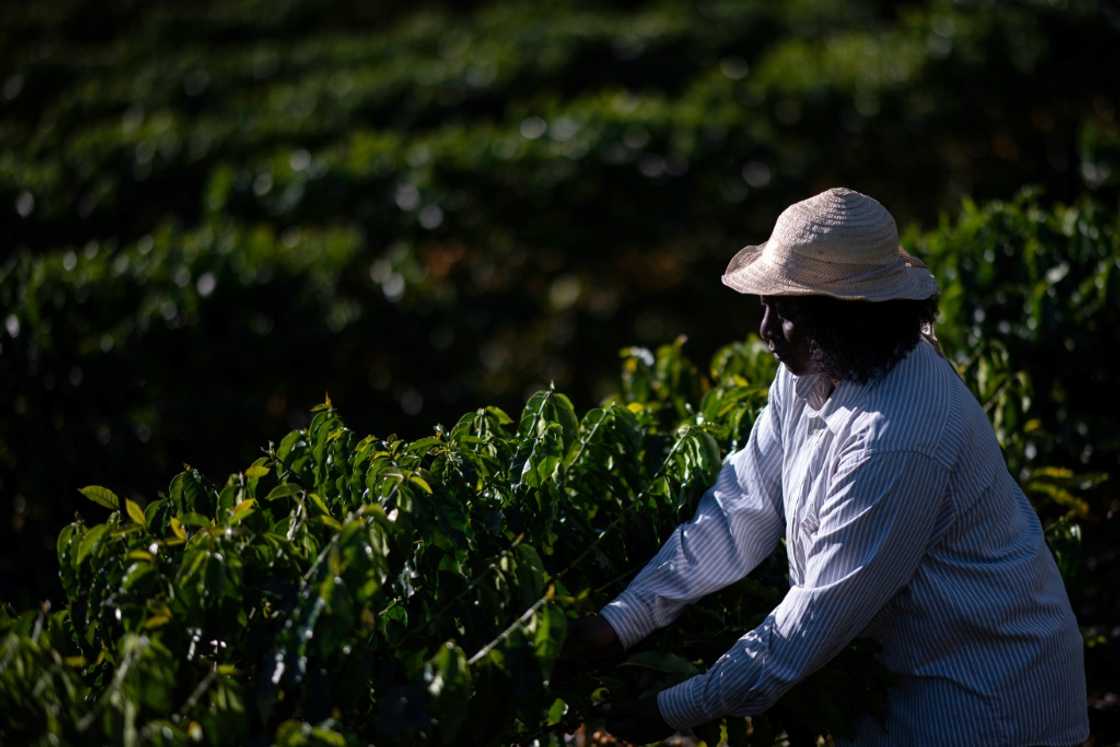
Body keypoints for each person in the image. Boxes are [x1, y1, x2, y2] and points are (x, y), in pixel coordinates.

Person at [561, 188, 1090, 746]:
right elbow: (743, 504)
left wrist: (673, 709)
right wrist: (622, 621)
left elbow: (816, 616)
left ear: (849, 321)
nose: (765, 330)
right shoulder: (809, 373)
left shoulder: (896, 437)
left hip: (984, 704)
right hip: (899, 685)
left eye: (786, 314)